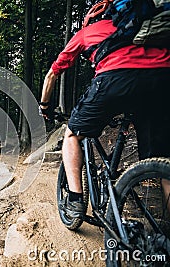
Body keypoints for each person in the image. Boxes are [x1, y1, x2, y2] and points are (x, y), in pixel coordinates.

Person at [39, 0, 170, 218]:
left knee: (72, 135)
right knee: (164, 159)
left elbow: (52, 74)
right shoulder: (140, 26)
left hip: (114, 79)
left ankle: (75, 201)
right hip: (162, 80)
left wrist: (44, 106)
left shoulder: (85, 33)